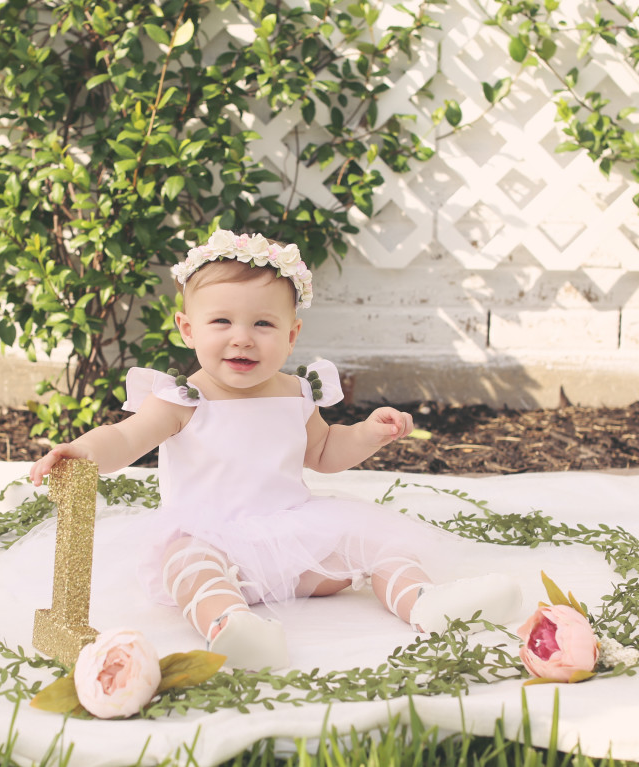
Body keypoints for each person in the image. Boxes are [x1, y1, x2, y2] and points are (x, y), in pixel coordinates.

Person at [30, 229, 521, 671]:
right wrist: (81, 451)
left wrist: (368, 434)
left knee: (374, 544)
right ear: (187, 329)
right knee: (184, 561)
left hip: (293, 545)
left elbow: (325, 451)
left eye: (263, 324)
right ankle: (230, 626)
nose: (241, 338)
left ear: (291, 336)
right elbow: (123, 437)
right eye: (220, 321)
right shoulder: (182, 398)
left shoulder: (295, 393)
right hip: (213, 539)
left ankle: (426, 601)